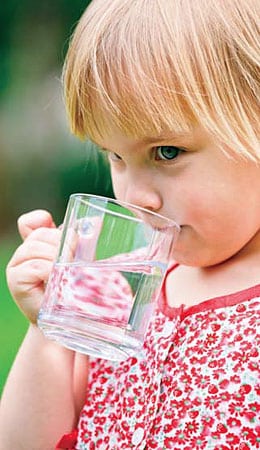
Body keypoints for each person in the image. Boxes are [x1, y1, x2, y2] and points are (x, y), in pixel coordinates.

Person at [0, 0, 259, 448]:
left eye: (167, 152)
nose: (135, 195)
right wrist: (47, 330)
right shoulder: (119, 293)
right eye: (115, 156)